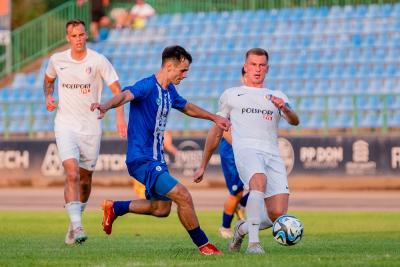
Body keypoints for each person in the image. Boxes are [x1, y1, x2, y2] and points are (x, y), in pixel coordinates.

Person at [90, 45, 230, 255]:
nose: (185, 75)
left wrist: (214, 117)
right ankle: (204, 245)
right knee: (183, 195)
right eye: (182, 70)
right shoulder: (146, 86)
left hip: (156, 159)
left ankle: (114, 207)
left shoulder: (169, 91)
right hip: (141, 159)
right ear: (169, 66)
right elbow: (124, 95)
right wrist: (105, 106)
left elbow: (187, 107)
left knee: (161, 209)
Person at [193, 48, 299, 254]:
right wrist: (203, 165)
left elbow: (295, 121)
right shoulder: (231, 95)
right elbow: (216, 131)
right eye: (253, 65)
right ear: (245, 67)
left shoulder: (277, 96)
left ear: (267, 69)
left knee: (277, 214)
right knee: (257, 180)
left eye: (261, 65)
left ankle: (242, 228)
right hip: (246, 150)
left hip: (272, 154)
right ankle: (254, 244)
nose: (257, 69)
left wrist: (285, 108)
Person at [43, 19, 127, 245]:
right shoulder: (56, 60)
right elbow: (48, 80)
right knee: (71, 174)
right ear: (67, 38)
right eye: (74, 36)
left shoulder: (98, 60)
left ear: (86, 36)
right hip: (65, 124)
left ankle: (73, 221)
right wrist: (48, 97)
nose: (78, 39)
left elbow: (117, 90)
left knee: (85, 180)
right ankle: (78, 226)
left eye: (81, 35)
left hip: (90, 128)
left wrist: (120, 118)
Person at [218, 68, 249, 239]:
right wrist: (239, 145)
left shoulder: (259, 99)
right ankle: (225, 227)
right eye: (247, 74)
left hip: (248, 150)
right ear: (243, 77)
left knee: (263, 185)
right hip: (232, 151)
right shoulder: (233, 98)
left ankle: (238, 204)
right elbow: (222, 129)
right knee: (236, 192)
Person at [132, 130, 177, 198]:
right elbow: (168, 146)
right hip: (148, 168)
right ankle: (116, 206)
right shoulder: (160, 132)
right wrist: (176, 152)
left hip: (145, 167)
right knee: (150, 200)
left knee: (152, 201)